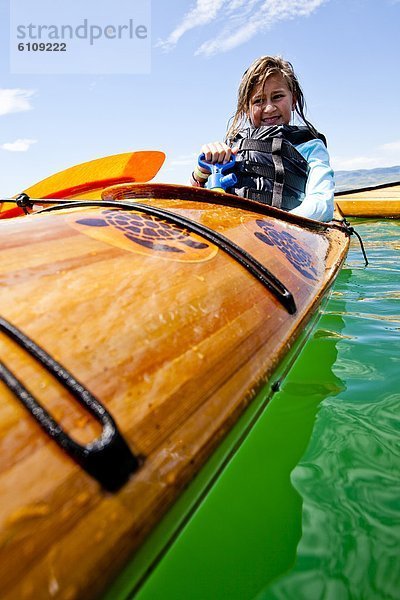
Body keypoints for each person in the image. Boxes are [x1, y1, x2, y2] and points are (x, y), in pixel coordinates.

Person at [190, 56, 334, 222]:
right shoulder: (232, 149)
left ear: (293, 101)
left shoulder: (310, 147)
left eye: (277, 96)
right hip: (235, 231)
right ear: (246, 108)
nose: (269, 108)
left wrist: (273, 226)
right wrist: (202, 172)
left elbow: (322, 206)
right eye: (258, 100)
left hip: (285, 235)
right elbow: (198, 203)